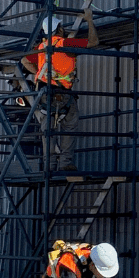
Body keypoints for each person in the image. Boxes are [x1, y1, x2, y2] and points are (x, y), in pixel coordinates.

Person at [21, 14, 99, 171]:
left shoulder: (42, 47)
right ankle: (65, 163)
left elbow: (24, 60)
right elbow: (94, 42)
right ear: (60, 29)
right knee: (69, 126)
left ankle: (49, 165)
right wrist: (89, 20)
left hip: (44, 94)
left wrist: (40, 74)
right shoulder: (65, 43)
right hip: (63, 94)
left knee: (47, 131)